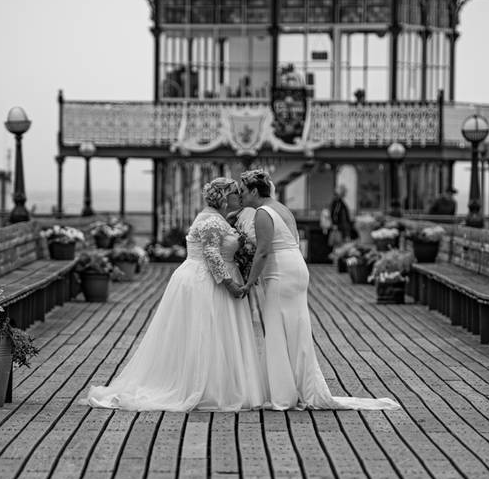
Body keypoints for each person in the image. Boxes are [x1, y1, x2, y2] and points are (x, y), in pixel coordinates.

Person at [85, 178, 265, 411]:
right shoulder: (211, 220)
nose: (238, 196)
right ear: (222, 196)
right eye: (233, 193)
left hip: (205, 277)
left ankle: (217, 382)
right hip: (206, 281)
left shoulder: (218, 218)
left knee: (215, 333)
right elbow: (211, 253)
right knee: (204, 332)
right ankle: (203, 386)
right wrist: (229, 283)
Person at [239, 169, 400, 411]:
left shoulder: (262, 213)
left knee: (276, 329)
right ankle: (295, 386)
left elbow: (263, 251)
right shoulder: (281, 208)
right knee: (294, 329)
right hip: (295, 268)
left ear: (253, 191)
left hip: (281, 272)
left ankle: (282, 393)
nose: (240, 196)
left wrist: (249, 282)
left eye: (242, 191)